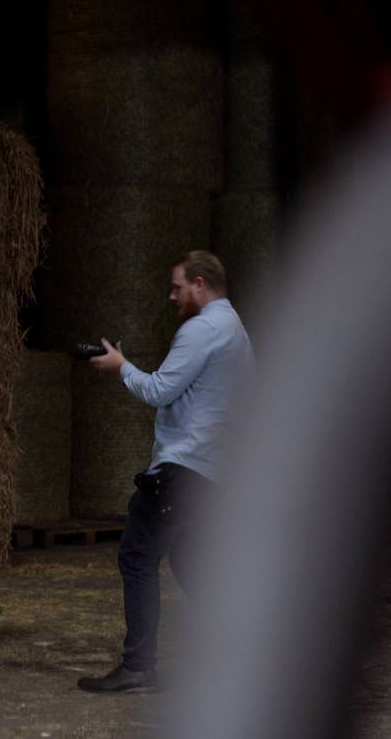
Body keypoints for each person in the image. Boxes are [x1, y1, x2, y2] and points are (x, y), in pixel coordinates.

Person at [78, 250, 255, 693]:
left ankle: (139, 667)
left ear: (199, 283)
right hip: (213, 469)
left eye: (177, 286)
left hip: (184, 467)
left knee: (138, 556)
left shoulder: (202, 329)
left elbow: (160, 390)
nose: (171, 295)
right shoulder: (236, 331)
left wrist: (121, 368)